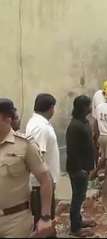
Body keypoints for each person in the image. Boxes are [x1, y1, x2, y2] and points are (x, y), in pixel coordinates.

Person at [0, 98, 53, 237]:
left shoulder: (25, 145)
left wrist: (45, 217)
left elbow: (45, 180)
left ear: (7, 118)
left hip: (15, 221)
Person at [26, 93, 59, 227]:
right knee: (43, 223)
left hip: (44, 184)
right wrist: (48, 181)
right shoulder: (40, 127)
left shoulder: (39, 123)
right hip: (41, 186)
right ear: (51, 108)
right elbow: (39, 157)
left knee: (46, 224)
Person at [66, 96, 97, 237]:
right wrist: (80, 169)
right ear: (83, 107)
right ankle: (75, 228)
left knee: (81, 195)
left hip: (84, 167)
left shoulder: (84, 121)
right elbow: (72, 150)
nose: (91, 108)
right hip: (78, 169)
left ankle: (79, 220)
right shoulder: (75, 126)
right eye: (89, 105)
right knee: (77, 197)